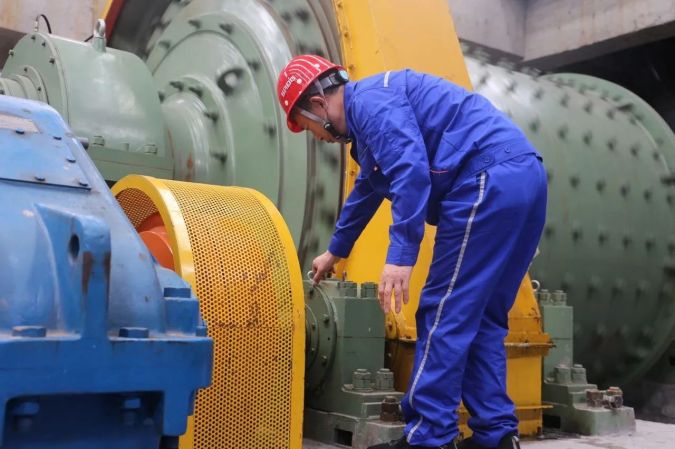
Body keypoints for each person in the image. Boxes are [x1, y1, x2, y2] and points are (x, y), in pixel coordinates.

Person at [276, 55, 546, 449]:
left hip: (485, 179)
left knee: (442, 311)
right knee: (483, 316)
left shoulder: (371, 104)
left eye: (307, 127)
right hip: (525, 176)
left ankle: (429, 438)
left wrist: (400, 258)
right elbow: (368, 189)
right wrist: (335, 251)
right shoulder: (373, 113)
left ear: (318, 105)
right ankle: (496, 437)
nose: (316, 137)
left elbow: (410, 171)